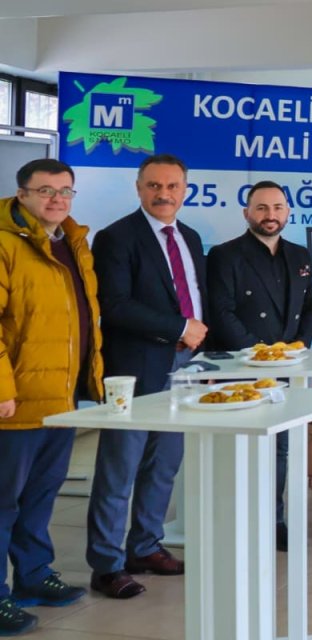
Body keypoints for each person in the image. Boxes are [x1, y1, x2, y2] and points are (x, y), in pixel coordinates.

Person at [88, 154, 207, 599]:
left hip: (185, 369)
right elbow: (115, 305)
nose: (164, 194)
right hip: (135, 370)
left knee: (164, 464)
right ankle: (106, 563)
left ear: (185, 189)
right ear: (139, 189)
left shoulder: (190, 237)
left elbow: (195, 296)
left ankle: (144, 546)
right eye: (154, 186)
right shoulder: (117, 238)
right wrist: (179, 328)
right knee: (120, 469)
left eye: (172, 186)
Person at [0, 159, 102, 634]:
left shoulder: (72, 243)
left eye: (65, 191)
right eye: (46, 191)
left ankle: (34, 576)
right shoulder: (4, 243)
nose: (57, 199)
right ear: (22, 195)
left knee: (41, 497)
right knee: (4, 501)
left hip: (58, 399)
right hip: (14, 401)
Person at [206, 180, 312, 552]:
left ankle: (274, 520)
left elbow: (311, 307)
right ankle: (234, 520)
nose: (270, 215)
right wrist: (256, 354)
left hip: (286, 368)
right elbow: (220, 312)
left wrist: (300, 345)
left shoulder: (300, 254)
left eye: (277, 208)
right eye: (261, 208)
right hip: (239, 367)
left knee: (281, 449)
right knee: (237, 449)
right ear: (247, 213)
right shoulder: (225, 255)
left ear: (287, 212)